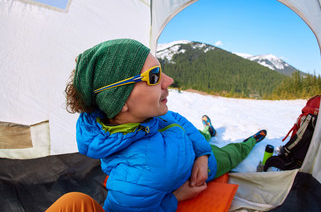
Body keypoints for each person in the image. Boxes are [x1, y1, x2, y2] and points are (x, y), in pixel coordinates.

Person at [55, 39, 266, 212]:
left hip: (197, 157)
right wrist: (176, 196)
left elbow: (178, 120)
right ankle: (247, 143)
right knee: (230, 154)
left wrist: (202, 154)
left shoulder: (146, 115)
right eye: (154, 76)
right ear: (120, 101)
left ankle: (206, 134)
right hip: (195, 172)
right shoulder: (134, 180)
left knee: (196, 135)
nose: (169, 80)